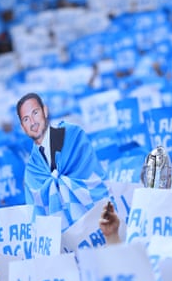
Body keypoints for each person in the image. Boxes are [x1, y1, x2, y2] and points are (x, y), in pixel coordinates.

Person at [16, 92, 110, 230]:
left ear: (45, 111)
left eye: (35, 113)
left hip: (94, 220)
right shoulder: (32, 169)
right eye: (26, 119)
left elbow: (91, 176)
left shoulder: (71, 135)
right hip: (62, 237)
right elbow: (35, 215)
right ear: (22, 127)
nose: (32, 122)